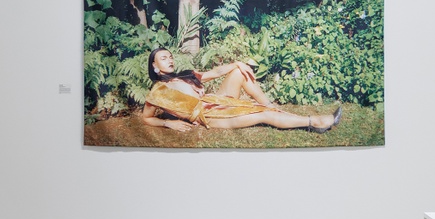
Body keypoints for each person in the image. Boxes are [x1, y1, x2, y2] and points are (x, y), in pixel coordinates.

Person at [140, 47, 341, 133]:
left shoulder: (185, 74)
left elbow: (216, 71)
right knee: (262, 114)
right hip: (210, 115)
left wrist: (238, 63)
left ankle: (270, 104)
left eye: (170, 56)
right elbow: (146, 118)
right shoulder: (158, 91)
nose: (170, 60)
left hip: (217, 101)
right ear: (155, 66)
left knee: (238, 72)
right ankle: (314, 122)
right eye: (164, 58)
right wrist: (168, 124)